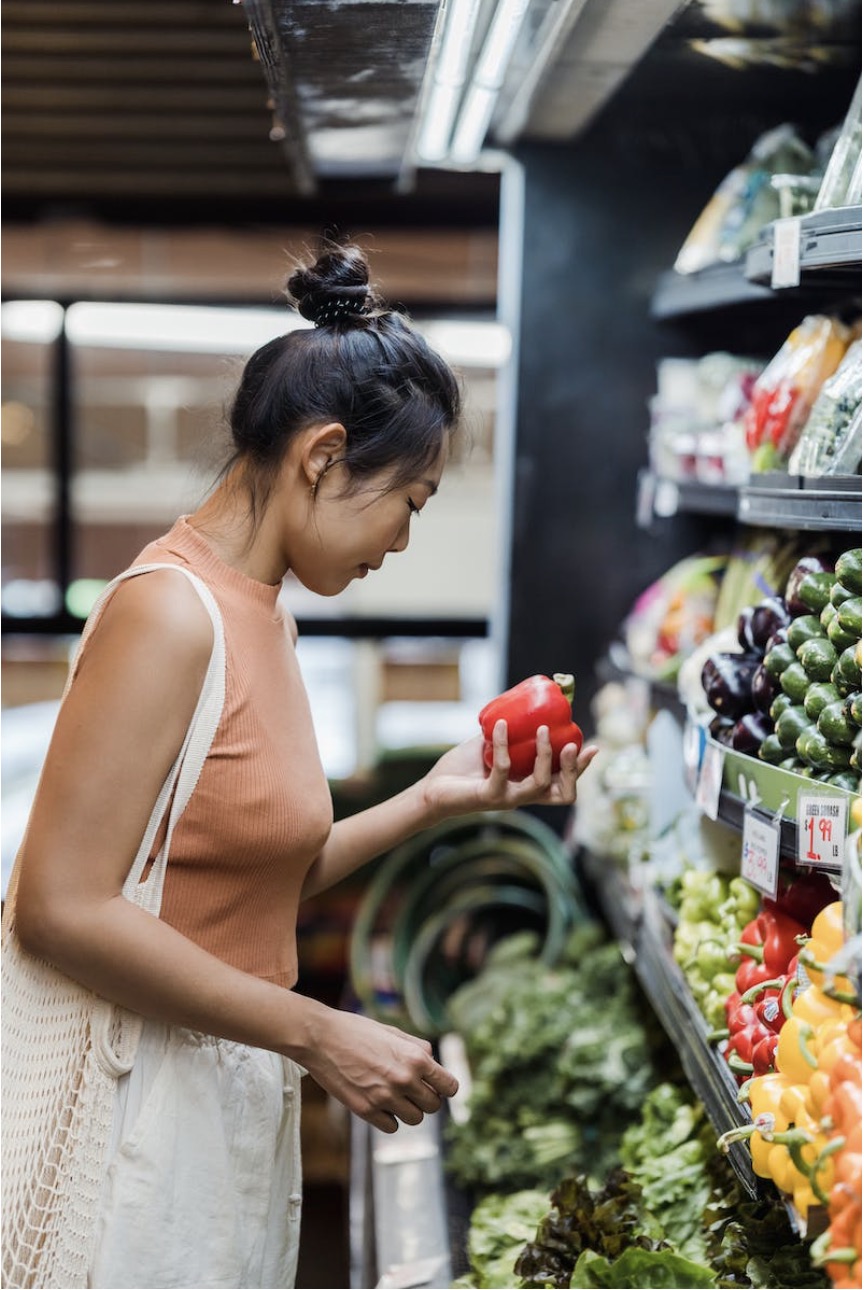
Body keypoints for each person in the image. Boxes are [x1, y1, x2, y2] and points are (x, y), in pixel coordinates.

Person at [6, 241, 597, 1289]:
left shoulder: (263, 613)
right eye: (409, 501)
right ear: (323, 458)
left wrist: (433, 798)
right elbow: (57, 905)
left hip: (226, 1082)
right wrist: (319, 1032)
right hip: (138, 1106)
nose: (406, 540)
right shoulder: (167, 613)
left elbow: (248, 878)